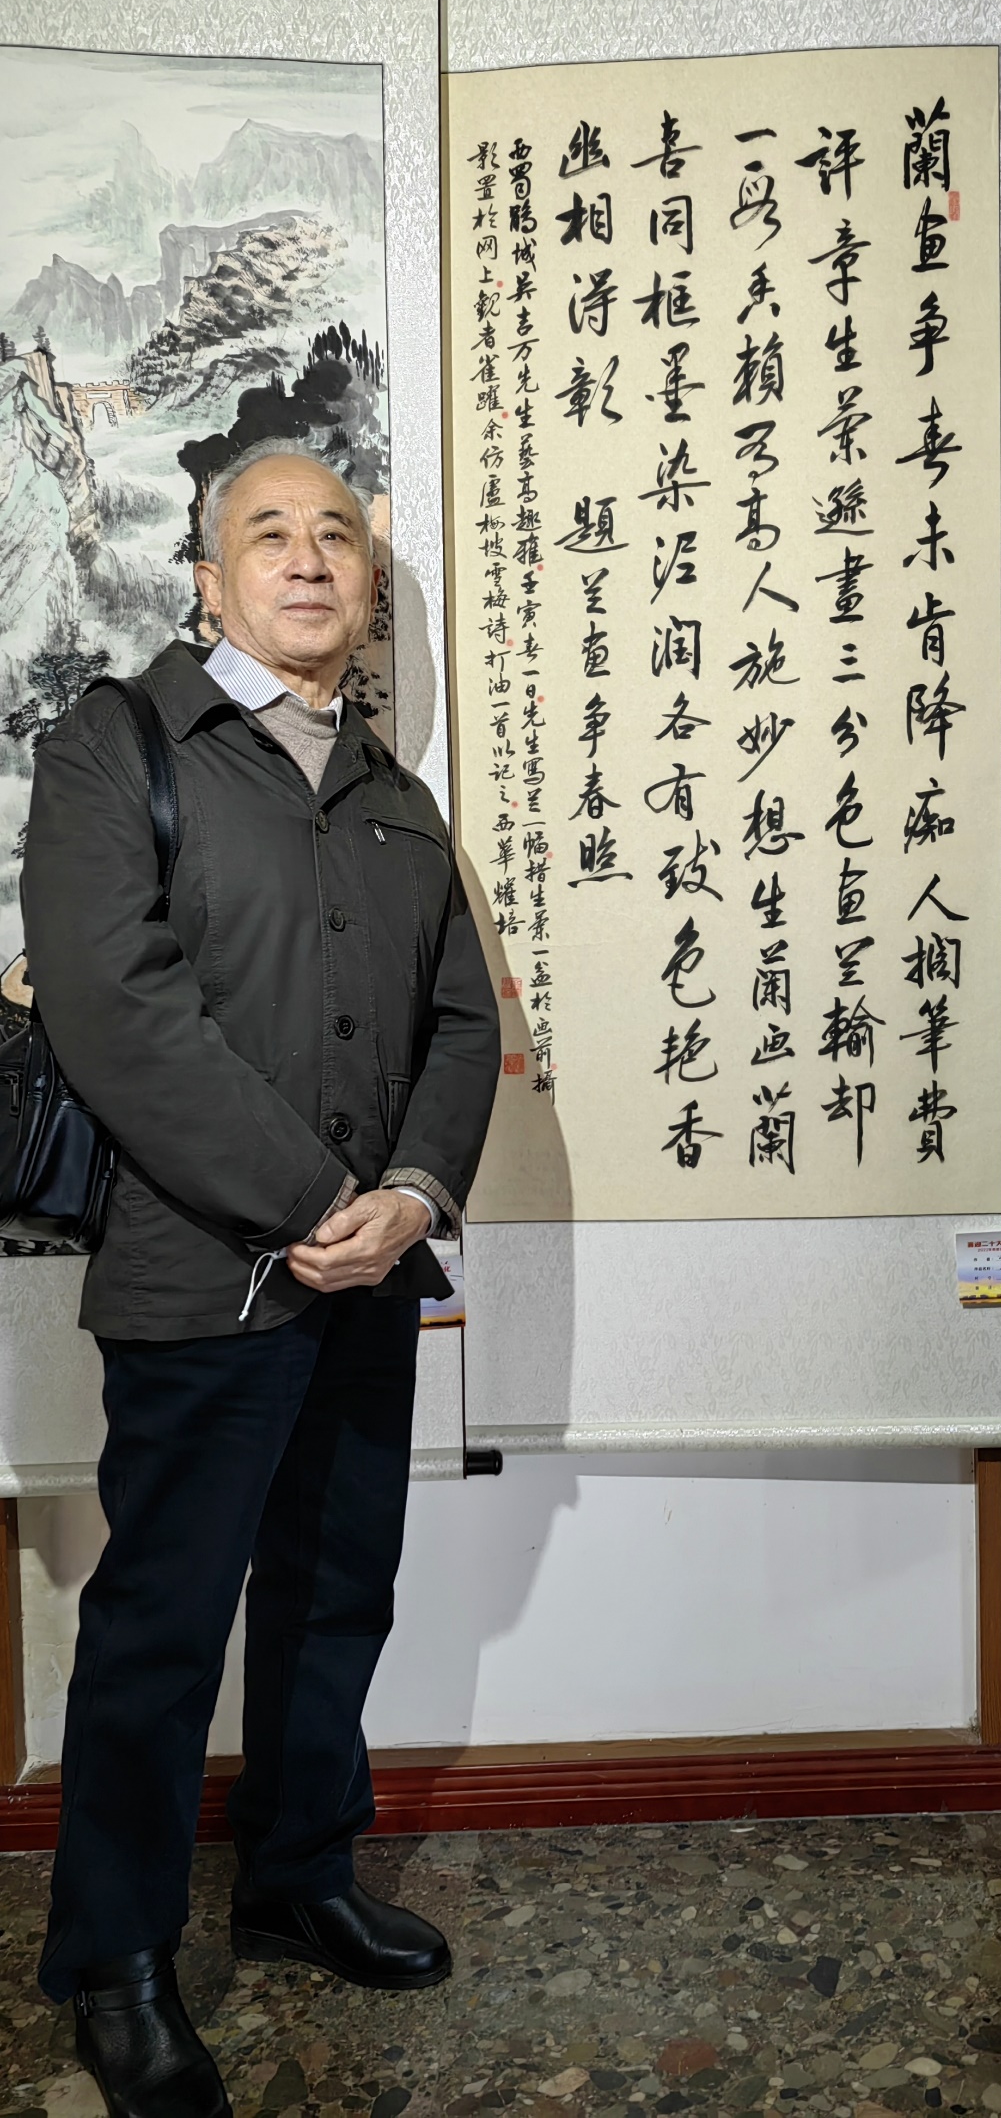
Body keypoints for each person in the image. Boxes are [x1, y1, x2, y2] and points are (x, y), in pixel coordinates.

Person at [20, 440, 501, 2118]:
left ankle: (301, 1873)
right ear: (208, 580)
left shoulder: (394, 794)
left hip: (370, 1276)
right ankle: (116, 1957)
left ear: (366, 587)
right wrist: (314, 1197)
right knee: (162, 1623)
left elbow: (462, 1022)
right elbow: (116, 1010)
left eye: (339, 535)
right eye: (270, 533)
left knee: (334, 1590)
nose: (310, 557)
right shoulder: (117, 746)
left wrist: (412, 1196)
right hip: (197, 1280)